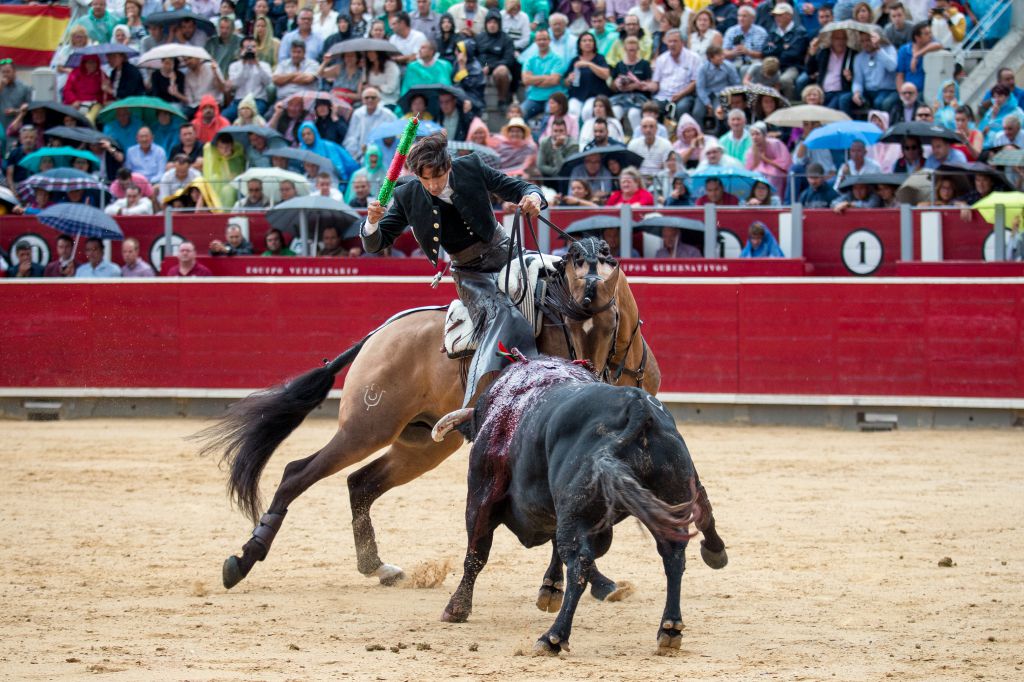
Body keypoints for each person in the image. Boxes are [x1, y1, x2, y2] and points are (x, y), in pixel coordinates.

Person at [362, 133, 545, 406]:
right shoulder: (406, 194)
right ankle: (490, 395)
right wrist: (372, 223)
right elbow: (376, 243)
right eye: (425, 179)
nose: (433, 185)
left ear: (448, 165)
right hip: (470, 273)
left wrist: (533, 196)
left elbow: (517, 187)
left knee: (556, 284)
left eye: (438, 176)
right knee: (503, 316)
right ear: (416, 175)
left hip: (506, 252)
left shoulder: (470, 166)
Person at [760, 2, 808, 100]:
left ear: (789, 16)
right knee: (759, 75)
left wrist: (774, 48)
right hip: (773, 65)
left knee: (785, 80)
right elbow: (765, 50)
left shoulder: (799, 32)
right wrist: (782, 47)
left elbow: (795, 53)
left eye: (780, 15)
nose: (777, 18)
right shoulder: (773, 32)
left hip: (793, 66)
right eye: (775, 15)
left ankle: (789, 103)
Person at [651, 29, 702, 121]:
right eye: (670, 41)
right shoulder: (661, 59)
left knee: (681, 107)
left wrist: (681, 94)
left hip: (684, 96)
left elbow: (695, 81)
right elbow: (656, 82)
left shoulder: (694, 58)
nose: (672, 44)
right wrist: (646, 86)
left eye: (675, 41)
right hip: (663, 96)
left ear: (682, 43)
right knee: (651, 108)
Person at [520, 29, 568, 122]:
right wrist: (546, 77)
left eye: (544, 39)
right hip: (534, 98)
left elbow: (554, 80)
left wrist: (534, 80)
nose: (542, 42)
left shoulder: (558, 59)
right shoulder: (530, 59)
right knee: (519, 115)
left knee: (549, 119)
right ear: (535, 41)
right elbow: (525, 80)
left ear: (549, 40)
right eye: (539, 39)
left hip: (553, 98)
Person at [222, 36, 273, 121]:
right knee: (223, 117)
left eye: (253, 47)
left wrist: (257, 64)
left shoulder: (264, 65)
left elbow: (268, 82)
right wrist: (244, 64)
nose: (250, 50)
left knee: (255, 117)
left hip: (257, 100)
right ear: (241, 50)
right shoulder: (234, 66)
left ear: (257, 49)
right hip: (239, 101)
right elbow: (234, 84)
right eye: (247, 48)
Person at [344, 87, 398, 161]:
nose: (370, 100)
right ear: (362, 100)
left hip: (382, 155)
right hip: (361, 154)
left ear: (379, 99)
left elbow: (393, 137)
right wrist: (355, 154)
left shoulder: (388, 114)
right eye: (367, 98)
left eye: (373, 98)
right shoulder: (358, 113)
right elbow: (352, 136)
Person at [852, 29, 899, 113]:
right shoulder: (859, 57)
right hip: (868, 91)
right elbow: (858, 80)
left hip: (886, 90)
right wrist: (856, 92)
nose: (865, 44)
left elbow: (892, 67)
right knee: (846, 99)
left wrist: (878, 49)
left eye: (868, 40)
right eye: (862, 41)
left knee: (878, 102)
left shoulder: (889, 49)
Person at [745, 122, 791, 196]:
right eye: (752, 135)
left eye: (757, 134)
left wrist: (766, 159)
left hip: (777, 172)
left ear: (764, 135)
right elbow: (749, 168)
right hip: (760, 172)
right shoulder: (751, 150)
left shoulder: (775, 143)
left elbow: (784, 163)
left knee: (773, 174)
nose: (755, 137)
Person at [896, 21, 941, 95]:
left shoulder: (929, 47)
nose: (930, 36)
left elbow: (938, 45)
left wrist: (916, 55)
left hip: (924, 92)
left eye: (930, 33)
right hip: (908, 91)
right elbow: (900, 75)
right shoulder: (904, 50)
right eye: (926, 34)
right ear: (917, 38)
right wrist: (902, 94)